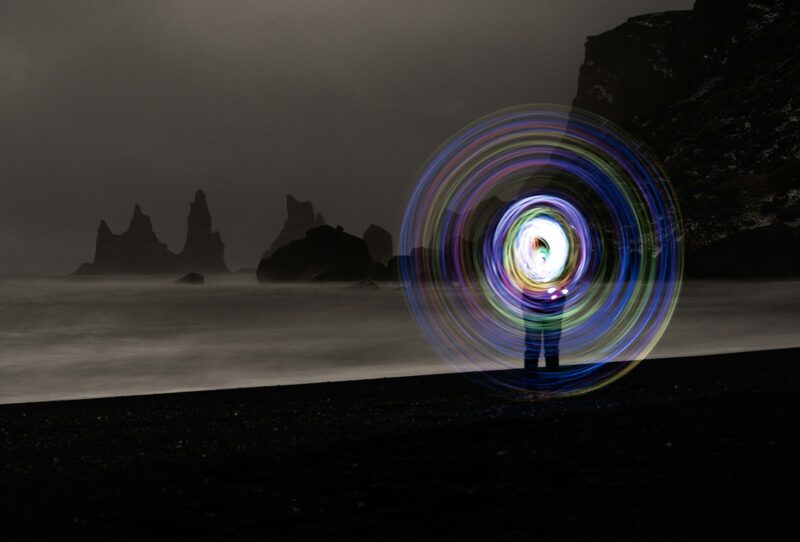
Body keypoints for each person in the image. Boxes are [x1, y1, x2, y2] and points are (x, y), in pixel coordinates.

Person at [523, 287, 567, 371]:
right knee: (534, 346)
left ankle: (550, 376)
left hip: (553, 303)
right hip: (532, 303)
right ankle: (532, 377)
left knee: (550, 346)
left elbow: (568, 278)